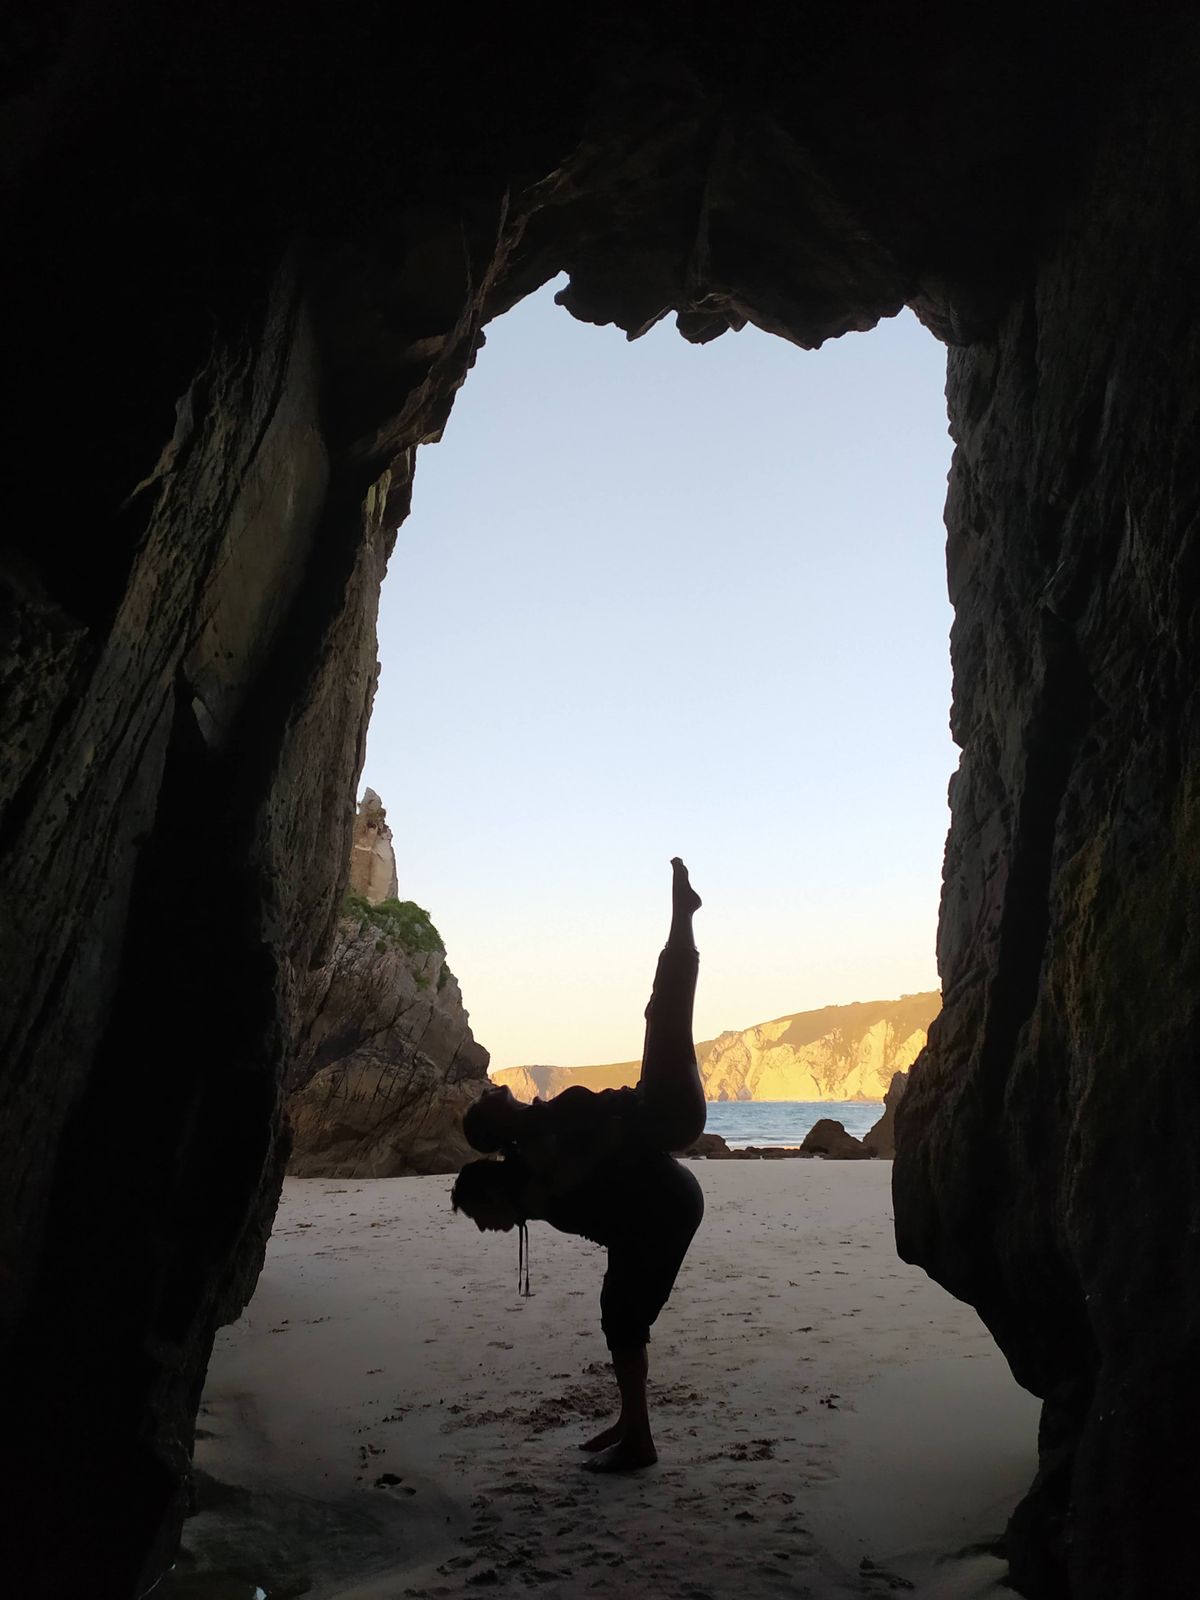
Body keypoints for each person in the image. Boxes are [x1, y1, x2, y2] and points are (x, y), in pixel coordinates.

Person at [451, 858, 706, 1473]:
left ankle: (683, 917)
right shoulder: (538, 1161)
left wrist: (556, 1171)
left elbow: (593, 1156)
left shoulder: (544, 1154)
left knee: (666, 1008)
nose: (485, 1229)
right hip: (661, 1192)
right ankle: (634, 1425)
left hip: (668, 1118)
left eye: (480, 1216)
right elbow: (590, 1189)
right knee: (620, 1317)